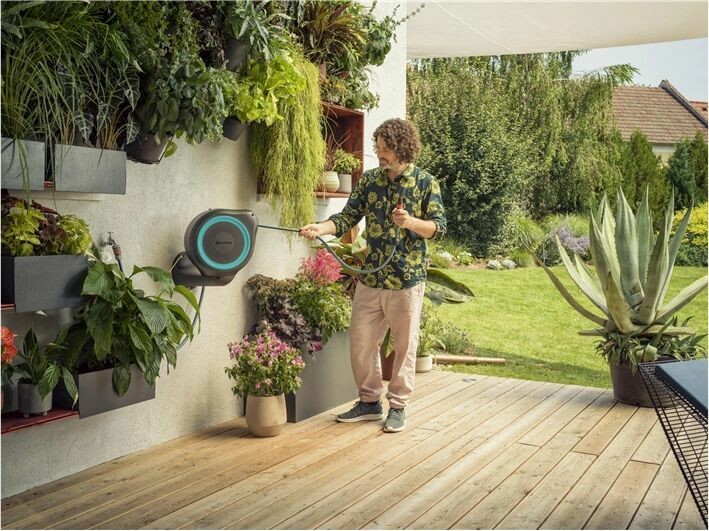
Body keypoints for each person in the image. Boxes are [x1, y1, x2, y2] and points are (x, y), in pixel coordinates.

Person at [299, 118, 446, 433]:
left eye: (385, 149)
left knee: (404, 347)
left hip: (406, 279)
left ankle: (398, 407)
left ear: (402, 148)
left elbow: (437, 228)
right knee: (361, 341)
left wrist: (410, 222)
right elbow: (347, 217)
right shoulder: (369, 181)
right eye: (377, 148)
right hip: (371, 277)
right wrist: (320, 227)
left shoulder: (425, 182)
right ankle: (369, 402)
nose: (379, 154)